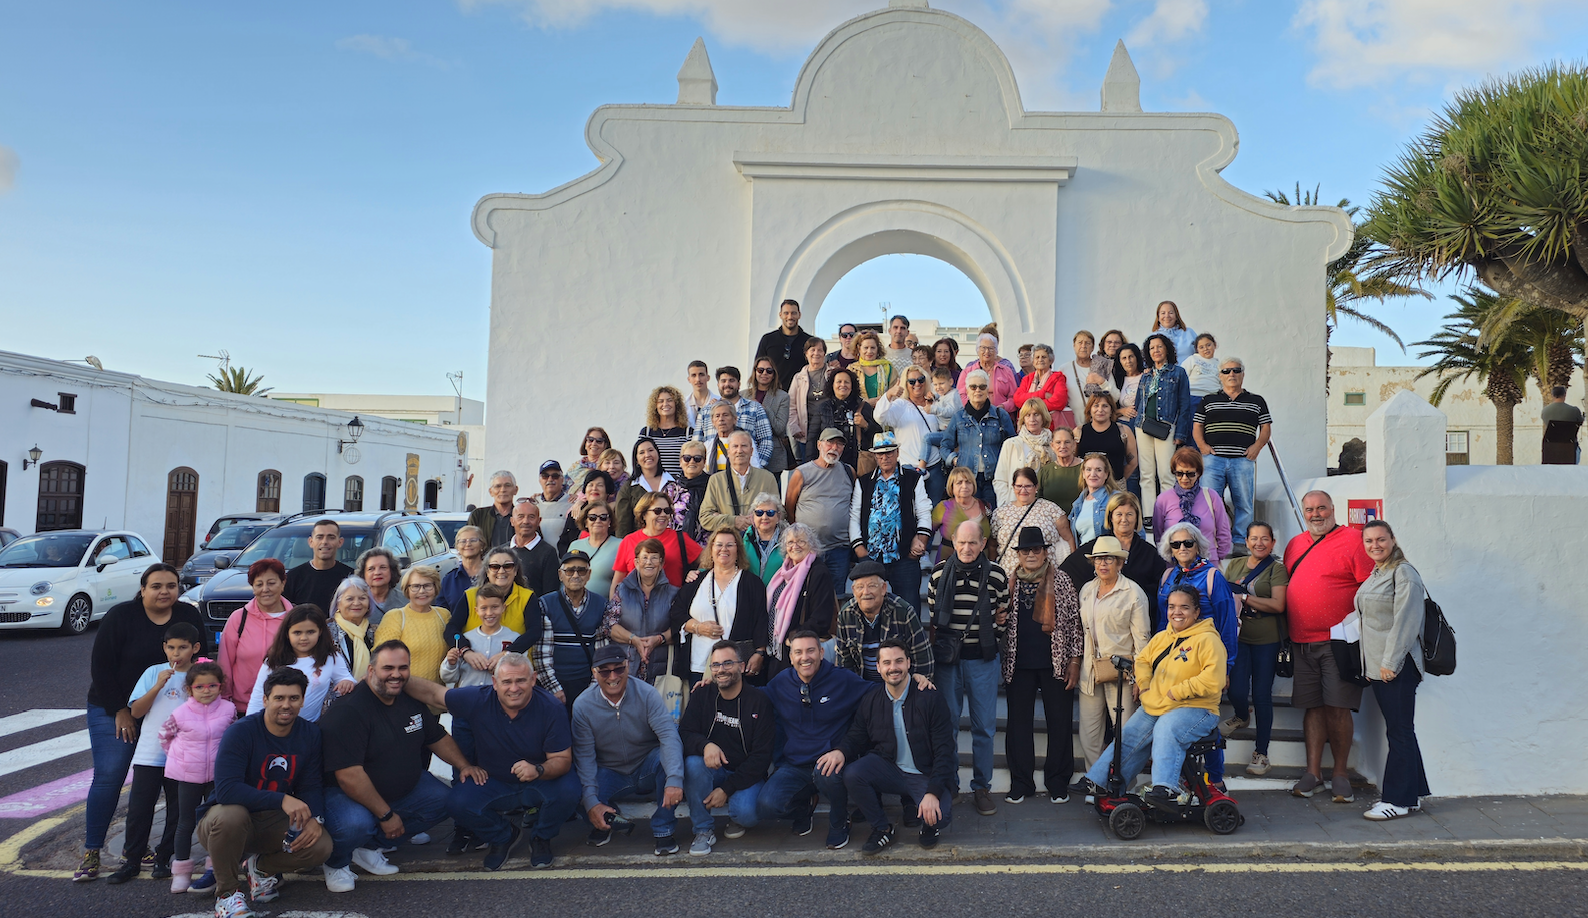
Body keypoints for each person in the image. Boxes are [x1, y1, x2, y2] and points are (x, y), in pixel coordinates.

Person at [78, 563, 207, 882]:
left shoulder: (188, 616)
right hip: (116, 707)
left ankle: (149, 852)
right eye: (156, 586)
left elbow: (202, 661)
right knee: (110, 776)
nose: (165, 591)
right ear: (143, 588)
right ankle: (92, 851)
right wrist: (120, 709)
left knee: (171, 786)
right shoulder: (121, 616)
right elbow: (101, 666)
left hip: (171, 715)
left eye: (171, 585)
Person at [318, 641, 480, 892]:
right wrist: (386, 815)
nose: (396, 674)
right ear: (371, 671)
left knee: (448, 800)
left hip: (400, 787)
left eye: (403, 668)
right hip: (343, 793)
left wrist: (465, 765)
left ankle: (368, 847)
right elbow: (349, 777)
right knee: (355, 824)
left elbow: (435, 737)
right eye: (388, 668)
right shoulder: (349, 711)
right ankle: (336, 862)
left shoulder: (407, 698)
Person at [407, 652, 581, 871]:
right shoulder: (478, 698)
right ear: (495, 683)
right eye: (507, 682)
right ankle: (503, 836)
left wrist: (538, 769)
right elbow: (434, 694)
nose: (514, 688)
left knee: (570, 790)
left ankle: (541, 837)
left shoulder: (551, 707)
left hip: (539, 781)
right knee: (457, 802)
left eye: (521, 680)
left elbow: (562, 760)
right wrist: (395, 677)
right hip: (495, 781)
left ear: (533, 679)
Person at [195, 668, 331, 918]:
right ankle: (227, 895)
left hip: (270, 820)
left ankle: (260, 869)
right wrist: (282, 799)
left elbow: (311, 784)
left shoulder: (310, 734)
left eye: (294, 698)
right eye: (279, 698)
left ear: (303, 700)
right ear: (266, 699)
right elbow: (226, 790)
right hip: (223, 823)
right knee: (231, 815)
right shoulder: (242, 732)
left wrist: (316, 818)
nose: (286, 705)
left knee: (321, 845)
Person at [1077, 585, 1226, 813]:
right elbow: (1144, 660)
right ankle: (1099, 781)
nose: (1177, 612)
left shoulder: (1208, 640)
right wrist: (1145, 685)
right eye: (1172, 607)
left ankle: (1165, 789)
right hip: (1159, 705)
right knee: (1129, 734)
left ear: (1196, 612)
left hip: (1197, 708)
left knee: (1166, 728)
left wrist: (1177, 691)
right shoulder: (1162, 637)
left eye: (1184, 607)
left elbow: (1213, 680)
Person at [1283, 490, 1374, 803]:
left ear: (1333, 510)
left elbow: (1368, 589)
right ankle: (1313, 773)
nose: (1316, 514)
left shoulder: (1353, 541)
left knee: (1337, 707)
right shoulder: (1295, 544)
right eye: (1309, 509)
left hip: (1338, 642)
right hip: (1301, 641)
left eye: (1322, 508)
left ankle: (1339, 773)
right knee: (1313, 707)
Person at [106, 621, 204, 885]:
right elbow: (136, 711)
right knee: (139, 809)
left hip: (183, 755)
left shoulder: (200, 675)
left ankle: (164, 857)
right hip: (150, 753)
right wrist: (158, 686)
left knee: (179, 810)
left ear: (194, 648)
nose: (176, 654)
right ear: (164, 648)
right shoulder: (153, 672)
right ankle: (132, 860)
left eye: (183, 648)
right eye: (171, 647)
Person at [837, 639, 958, 852]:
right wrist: (840, 752)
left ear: (909, 663)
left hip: (923, 773)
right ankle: (882, 829)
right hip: (890, 768)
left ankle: (928, 825)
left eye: (899, 661)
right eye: (887, 663)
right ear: (878, 667)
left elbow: (945, 751)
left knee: (941, 815)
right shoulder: (871, 699)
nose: (893, 668)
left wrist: (932, 792)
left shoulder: (930, 699)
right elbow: (857, 735)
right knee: (853, 773)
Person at [756, 630, 874, 849]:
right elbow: (752, 696)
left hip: (831, 761)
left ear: (821, 653)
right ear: (791, 657)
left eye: (810, 650)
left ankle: (839, 820)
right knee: (766, 805)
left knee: (826, 774)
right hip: (795, 764)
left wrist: (913, 679)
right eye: (798, 652)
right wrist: (711, 687)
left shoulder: (842, 679)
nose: (805, 657)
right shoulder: (780, 683)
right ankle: (805, 806)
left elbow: (878, 693)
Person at [927, 520, 1011, 817]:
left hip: (983, 661)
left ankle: (981, 787)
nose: (966, 548)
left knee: (984, 728)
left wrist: (989, 643)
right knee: (946, 726)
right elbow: (934, 617)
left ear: (982, 542)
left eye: (972, 542)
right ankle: (949, 783)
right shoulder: (938, 574)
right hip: (948, 663)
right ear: (952, 540)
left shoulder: (998, 575)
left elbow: (1003, 615)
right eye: (961, 542)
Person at [572, 644, 688, 856]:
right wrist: (591, 803)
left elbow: (668, 736)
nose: (613, 676)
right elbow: (585, 757)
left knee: (669, 760)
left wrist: (674, 779)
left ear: (628, 666)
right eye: (605, 671)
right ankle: (607, 819)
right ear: (594, 673)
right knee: (574, 789)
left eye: (619, 669)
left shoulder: (647, 694)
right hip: (609, 770)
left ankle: (663, 829)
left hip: (647, 763)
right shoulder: (582, 706)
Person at [1000, 527, 1082, 804]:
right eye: (1026, 550)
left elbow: (1074, 623)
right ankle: (1021, 782)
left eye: (1037, 549)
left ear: (1046, 552)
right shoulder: (1009, 581)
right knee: (1018, 725)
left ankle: (1057, 781)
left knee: (1059, 723)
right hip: (1018, 663)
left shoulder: (1061, 580)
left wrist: (1074, 660)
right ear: (1019, 555)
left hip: (1055, 663)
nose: (1032, 554)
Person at [1355, 520, 1432, 820]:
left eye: (1381, 540)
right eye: (1369, 541)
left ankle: (1397, 801)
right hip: (1378, 667)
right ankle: (1413, 794)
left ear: (1393, 540)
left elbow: (1406, 622)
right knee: (1402, 731)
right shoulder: (1379, 572)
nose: (1375, 545)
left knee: (1399, 732)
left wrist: (1390, 662)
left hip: (1395, 667)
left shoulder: (1404, 573)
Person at [1156, 521, 1239, 788]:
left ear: (1198, 546)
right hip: (1175, 661)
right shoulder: (1168, 576)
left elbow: (1227, 625)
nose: (1182, 548)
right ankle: (1183, 779)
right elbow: (1163, 621)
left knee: (1205, 721)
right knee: (1175, 718)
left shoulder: (1213, 576)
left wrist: (1226, 667)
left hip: (1205, 659)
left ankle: (1214, 780)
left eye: (1187, 543)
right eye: (1176, 544)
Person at [679, 642, 776, 855]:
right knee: (693, 763)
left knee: (746, 814)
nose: (721, 670)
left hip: (747, 774)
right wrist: (706, 745)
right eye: (715, 665)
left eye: (727, 663)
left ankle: (735, 814)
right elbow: (685, 733)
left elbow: (761, 758)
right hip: (714, 769)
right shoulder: (702, 694)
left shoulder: (759, 701)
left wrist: (727, 790)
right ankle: (703, 830)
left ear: (741, 667)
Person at [1071, 536, 1152, 779]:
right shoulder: (1087, 589)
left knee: (1126, 733)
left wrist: (1140, 677)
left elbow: (1142, 639)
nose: (1103, 564)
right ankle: (1095, 781)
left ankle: (1124, 784)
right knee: (1090, 732)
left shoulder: (1133, 593)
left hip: (1122, 672)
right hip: (1090, 669)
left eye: (1109, 559)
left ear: (1120, 563)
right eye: (1098, 559)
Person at [155, 660, 232, 893]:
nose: (206, 691)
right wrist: (180, 758)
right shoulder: (179, 713)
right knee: (185, 822)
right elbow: (164, 736)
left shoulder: (229, 710)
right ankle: (181, 871)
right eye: (200, 687)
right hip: (187, 775)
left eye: (212, 686)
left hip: (217, 777)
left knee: (213, 824)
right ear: (189, 689)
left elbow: (234, 738)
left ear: (221, 686)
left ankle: (214, 868)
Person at [1219, 523, 1289, 777]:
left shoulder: (1277, 568)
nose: (1259, 543)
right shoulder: (1235, 565)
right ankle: (1240, 715)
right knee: (1236, 689)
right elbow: (1225, 598)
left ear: (1272, 542)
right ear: (1246, 541)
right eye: (1254, 538)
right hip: (1238, 637)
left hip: (1266, 639)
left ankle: (1262, 752)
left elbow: (1278, 604)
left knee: (1261, 695)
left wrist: (1245, 598)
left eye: (1265, 539)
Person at [849, 432, 933, 617]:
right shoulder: (863, 482)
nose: (885, 457)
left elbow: (924, 512)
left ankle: (911, 646)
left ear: (897, 452)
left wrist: (920, 540)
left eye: (889, 452)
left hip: (904, 557)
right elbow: (855, 516)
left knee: (909, 609)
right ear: (875, 456)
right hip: (872, 557)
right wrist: (859, 549)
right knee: (871, 610)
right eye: (880, 453)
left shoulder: (913, 479)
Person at [672, 529, 770, 684]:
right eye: (719, 545)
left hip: (735, 667)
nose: (724, 549)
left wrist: (760, 653)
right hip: (698, 665)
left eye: (730, 545)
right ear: (711, 550)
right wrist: (698, 627)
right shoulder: (696, 581)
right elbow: (676, 614)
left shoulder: (752, 583)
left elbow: (761, 620)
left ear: (738, 550)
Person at [1193, 356, 1272, 547]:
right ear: (1220, 375)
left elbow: (1266, 428)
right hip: (1214, 460)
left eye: (1236, 370)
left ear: (1243, 374)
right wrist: (1203, 448)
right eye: (1226, 371)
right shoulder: (1208, 400)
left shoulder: (1257, 400)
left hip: (1243, 460)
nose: (1232, 374)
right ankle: (1209, 542)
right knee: (1209, 504)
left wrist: (1257, 447)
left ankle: (1238, 543)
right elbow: (1197, 426)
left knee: (1244, 504)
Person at [520, 549, 611, 715]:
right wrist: (554, 689)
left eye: (581, 570)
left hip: (586, 681)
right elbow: (541, 654)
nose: (575, 575)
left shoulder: (601, 604)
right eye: (569, 570)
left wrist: (593, 690)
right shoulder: (545, 604)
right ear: (560, 575)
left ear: (589, 574)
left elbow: (601, 651)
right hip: (554, 681)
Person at [1062, 492, 1166, 624]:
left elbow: (1160, 588)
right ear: (1110, 517)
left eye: (1129, 514)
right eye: (1119, 514)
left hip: (1138, 621)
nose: (1124, 519)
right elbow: (1067, 572)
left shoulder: (1149, 553)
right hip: (1102, 622)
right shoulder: (1096, 547)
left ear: (1137, 517)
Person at [246, 606, 355, 719]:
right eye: (297, 633)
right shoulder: (275, 660)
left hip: (309, 726)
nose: (304, 638)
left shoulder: (331, 657)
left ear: (320, 632)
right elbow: (258, 697)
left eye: (310, 632)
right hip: (275, 726)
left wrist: (347, 681)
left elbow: (346, 677)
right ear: (287, 634)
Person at [834, 560, 934, 681]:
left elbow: (922, 657)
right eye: (860, 587)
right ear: (854, 591)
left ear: (883, 588)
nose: (866, 592)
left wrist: (916, 687)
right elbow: (844, 662)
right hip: (862, 686)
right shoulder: (846, 614)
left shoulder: (903, 611)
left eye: (872, 585)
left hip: (898, 685)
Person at [784, 428, 857, 590]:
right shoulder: (802, 473)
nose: (834, 448)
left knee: (837, 596)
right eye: (829, 442)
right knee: (807, 595)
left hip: (839, 548)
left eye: (839, 444)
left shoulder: (849, 471)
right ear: (819, 445)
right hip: (807, 549)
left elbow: (855, 506)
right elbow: (789, 507)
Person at [219, 559, 293, 716]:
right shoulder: (238, 618)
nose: (265, 589)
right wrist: (225, 701)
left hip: (285, 708)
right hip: (242, 708)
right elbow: (225, 663)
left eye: (271, 583)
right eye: (259, 584)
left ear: (283, 583)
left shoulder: (295, 619)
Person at [1134, 333, 1195, 521]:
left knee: (1166, 474)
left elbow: (1184, 405)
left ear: (1167, 348)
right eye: (1152, 348)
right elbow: (1138, 402)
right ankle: (1150, 516)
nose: (1156, 351)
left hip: (1166, 427)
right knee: (1146, 474)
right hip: (1143, 426)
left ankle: (1169, 514)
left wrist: (1181, 433)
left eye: (1159, 347)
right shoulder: (1146, 375)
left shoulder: (1178, 372)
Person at [765, 523, 838, 670]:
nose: (795, 546)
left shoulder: (818, 572)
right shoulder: (783, 572)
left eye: (801, 541)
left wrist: (794, 637)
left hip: (799, 651)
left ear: (812, 545)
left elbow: (821, 618)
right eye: (790, 542)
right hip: (776, 651)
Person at [605, 538, 681, 679]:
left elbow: (680, 629)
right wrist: (633, 639)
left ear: (662, 563)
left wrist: (659, 639)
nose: (649, 562)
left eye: (654, 558)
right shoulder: (621, 590)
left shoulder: (674, 594)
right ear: (636, 562)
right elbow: (609, 625)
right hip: (626, 666)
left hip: (661, 669)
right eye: (644, 557)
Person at [940, 368, 1015, 508]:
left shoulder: (1000, 415)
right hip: (967, 480)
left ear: (988, 390)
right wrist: (955, 460)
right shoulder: (958, 417)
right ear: (967, 390)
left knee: (991, 517)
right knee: (970, 518)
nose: (977, 390)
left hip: (994, 479)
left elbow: (1012, 444)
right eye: (973, 387)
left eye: (982, 386)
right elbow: (945, 446)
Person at [447, 547, 539, 654]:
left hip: (514, 666)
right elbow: (451, 629)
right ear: (487, 571)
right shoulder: (470, 596)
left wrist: (507, 653)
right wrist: (466, 651)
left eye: (507, 566)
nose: (501, 571)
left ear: (515, 570)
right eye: (494, 567)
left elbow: (534, 632)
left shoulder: (527, 597)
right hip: (473, 666)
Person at [874, 365, 945, 503]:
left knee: (934, 509)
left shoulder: (935, 402)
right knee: (910, 509)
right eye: (912, 381)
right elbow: (879, 417)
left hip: (935, 466)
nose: (917, 384)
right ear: (906, 384)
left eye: (920, 379)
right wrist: (889, 394)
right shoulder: (900, 404)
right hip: (909, 466)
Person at [372, 566, 453, 684]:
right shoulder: (395, 617)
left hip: (436, 696)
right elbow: (381, 659)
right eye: (415, 586)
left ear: (435, 588)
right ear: (407, 589)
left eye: (427, 586)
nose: (421, 591)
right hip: (403, 694)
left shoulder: (444, 615)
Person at [1153, 447, 1233, 563]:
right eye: (1179, 473)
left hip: (1207, 565)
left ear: (1198, 473)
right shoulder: (1163, 499)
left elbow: (1224, 532)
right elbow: (1159, 537)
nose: (1184, 478)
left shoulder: (1211, 496)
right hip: (1176, 566)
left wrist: (1215, 559)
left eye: (1190, 474)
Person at [611, 491, 704, 589]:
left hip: (671, 601)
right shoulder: (628, 541)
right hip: (635, 602)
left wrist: (697, 573)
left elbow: (707, 560)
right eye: (657, 511)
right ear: (644, 514)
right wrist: (613, 603)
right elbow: (618, 581)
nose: (663, 514)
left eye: (667, 511)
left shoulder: (680, 538)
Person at [991, 466, 1074, 573]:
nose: (1023, 490)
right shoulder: (1000, 513)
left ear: (1036, 487)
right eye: (1019, 486)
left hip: (1047, 576)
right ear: (1013, 486)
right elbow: (993, 545)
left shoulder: (1051, 509)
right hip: (1010, 575)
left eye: (1028, 486)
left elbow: (1069, 539)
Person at [699, 430, 781, 535]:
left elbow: (779, 514)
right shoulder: (716, 480)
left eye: (744, 446)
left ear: (751, 451)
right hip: (728, 543)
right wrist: (733, 521)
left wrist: (756, 520)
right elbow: (705, 518)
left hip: (760, 541)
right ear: (728, 452)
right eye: (735, 446)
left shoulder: (767, 478)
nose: (739, 450)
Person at [440, 582, 520, 687]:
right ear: (476, 610)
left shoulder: (514, 639)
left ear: (503, 608)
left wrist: (505, 669)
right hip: (469, 698)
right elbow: (449, 678)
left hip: (498, 699)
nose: (489, 613)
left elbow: (520, 673)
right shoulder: (466, 639)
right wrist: (451, 663)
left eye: (495, 607)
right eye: (484, 608)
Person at [701, 367, 774, 468]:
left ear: (739, 384)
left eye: (731, 380)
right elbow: (698, 443)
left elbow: (766, 441)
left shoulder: (755, 408)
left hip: (746, 473)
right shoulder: (706, 411)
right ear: (718, 385)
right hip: (711, 472)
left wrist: (754, 469)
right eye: (723, 381)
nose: (727, 384)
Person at [993, 400, 1060, 507]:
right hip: (1015, 506)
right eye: (1028, 415)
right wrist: (1006, 505)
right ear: (1023, 419)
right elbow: (1000, 479)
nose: (1032, 419)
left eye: (1036, 414)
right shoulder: (1011, 444)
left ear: (1043, 417)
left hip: (1044, 507)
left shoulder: (1053, 444)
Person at [615, 437, 684, 539]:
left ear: (658, 454)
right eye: (642, 452)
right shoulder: (629, 488)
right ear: (636, 460)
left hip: (671, 541)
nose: (647, 455)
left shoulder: (675, 483)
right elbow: (622, 526)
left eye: (651, 450)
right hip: (641, 546)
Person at [283, 519, 352, 613]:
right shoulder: (293, 577)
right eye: (319, 537)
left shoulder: (351, 577)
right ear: (311, 542)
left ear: (340, 542)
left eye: (331, 537)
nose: (324, 542)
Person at [813, 367, 875, 465]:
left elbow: (877, 435)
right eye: (839, 381)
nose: (843, 385)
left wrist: (866, 425)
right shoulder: (823, 407)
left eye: (846, 382)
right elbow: (812, 438)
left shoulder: (863, 407)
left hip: (856, 463)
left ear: (852, 385)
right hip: (829, 463)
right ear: (832, 385)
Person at [931, 465, 991, 564]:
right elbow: (927, 532)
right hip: (948, 564)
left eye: (968, 482)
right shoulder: (943, 507)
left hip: (981, 565)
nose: (964, 486)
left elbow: (992, 540)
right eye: (959, 483)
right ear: (951, 486)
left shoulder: (985, 506)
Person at [786, 337, 832, 465]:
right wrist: (794, 427)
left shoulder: (832, 374)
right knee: (809, 466)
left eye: (820, 350)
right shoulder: (798, 378)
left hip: (827, 427)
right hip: (805, 431)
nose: (816, 353)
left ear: (824, 353)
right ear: (806, 353)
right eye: (812, 350)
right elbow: (791, 405)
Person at [755, 298, 816, 390]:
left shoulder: (809, 341)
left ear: (799, 315)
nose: (790, 317)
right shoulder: (768, 339)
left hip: (800, 393)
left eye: (794, 313)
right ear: (780, 315)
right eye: (786, 313)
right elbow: (757, 368)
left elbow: (816, 366)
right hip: (772, 393)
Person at [1078, 393, 1139, 485]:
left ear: (1111, 410)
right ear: (1089, 410)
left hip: (1115, 487)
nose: (1100, 410)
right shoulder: (1078, 432)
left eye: (1105, 406)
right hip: (1087, 487)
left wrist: (1117, 482)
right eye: (1096, 406)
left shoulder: (1124, 431)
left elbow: (1133, 462)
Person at [1012, 343, 1072, 429]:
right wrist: (1042, 394)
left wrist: (1029, 406)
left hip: (1049, 427)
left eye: (1044, 357)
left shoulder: (1058, 377)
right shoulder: (1027, 379)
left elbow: (1059, 402)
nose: (1040, 360)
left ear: (1051, 360)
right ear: (1033, 361)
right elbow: (1017, 399)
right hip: (1027, 427)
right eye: (1037, 357)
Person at [556, 469, 617, 554]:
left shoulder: (614, 513)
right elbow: (563, 543)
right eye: (590, 485)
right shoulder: (575, 512)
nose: (594, 488)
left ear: (607, 491)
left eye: (599, 485)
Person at [1065, 330, 1119, 425]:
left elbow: (1115, 396)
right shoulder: (1064, 369)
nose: (1083, 346)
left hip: (1099, 425)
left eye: (1087, 343)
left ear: (1093, 347)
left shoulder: (1103, 367)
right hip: (1074, 425)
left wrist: (1101, 381)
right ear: (1074, 345)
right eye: (1080, 342)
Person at [507, 500, 561, 597]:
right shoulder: (502, 551)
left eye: (531, 517)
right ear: (512, 521)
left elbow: (551, 594)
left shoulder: (548, 552)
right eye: (521, 516)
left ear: (539, 521)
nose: (526, 521)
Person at [750, 356, 792, 477]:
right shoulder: (743, 395)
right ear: (755, 372)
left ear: (774, 374)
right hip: (747, 453)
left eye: (769, 371)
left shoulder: (783, 397)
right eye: (760, 370)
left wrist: (764, 409)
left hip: (773, 456)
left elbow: (779, 429)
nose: (764, 373)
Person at [1068, 453, 1122, 547]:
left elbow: (1135, 531)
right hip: (1084, 556)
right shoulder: (1078, 503)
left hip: (1107, 557)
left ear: (1106, 474)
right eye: (1088, 469)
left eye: (1098, 470)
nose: (1093, 474)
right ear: (1083, 474)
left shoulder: (1116, 498)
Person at [570, 500, 620, 600]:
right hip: (574, 607)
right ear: (586, 522)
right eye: (592, 518)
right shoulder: (575, 545)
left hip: (604, 607)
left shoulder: (620, 545)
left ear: (609, 522)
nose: (598, 521)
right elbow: (565, 578)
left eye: (603, 517)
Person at [327, 577, 376, 681]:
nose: (356, 603)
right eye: (350, 599)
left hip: (370, 692)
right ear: (338, 604)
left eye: (362, 598)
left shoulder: (376, 631)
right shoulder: (325, 632)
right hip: (336, 694)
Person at [956, 333, 1018, 412]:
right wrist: (975, 409)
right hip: (973, 416)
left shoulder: (1006, 371)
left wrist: (1003, 407)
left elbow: (1013, 397)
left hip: (1000, 415)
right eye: (983, 348)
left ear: (996, 351)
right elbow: (960, 396)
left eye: (991, 348)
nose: (987, 351)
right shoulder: (967, 372)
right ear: (977, 350)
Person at [641, 385, 692, 478]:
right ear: (655, 406)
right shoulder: (647, 432)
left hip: (679, 486)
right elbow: (640, 460)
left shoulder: (688, 432)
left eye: (670, 400)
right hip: (653, 487)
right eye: (660, 401)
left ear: (676, 404)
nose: (665, 404)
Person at [439, 525, 487, 616]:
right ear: (457, 547)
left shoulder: (492, 574)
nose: (468, 544)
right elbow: (441, 612)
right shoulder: (449, 580)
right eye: (463, 541)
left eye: (473, 540)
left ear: (482, 544)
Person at [466, 471, 520, 549]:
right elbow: (469, 542)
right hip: (486, 561)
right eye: (498, 486)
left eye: (507, 485)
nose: (503, 490)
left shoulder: (523, 517)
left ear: (515, 490)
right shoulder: (478, 515)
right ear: (491, 492)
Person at [742, 493, 786, 584]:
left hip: (778, 596)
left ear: (778, 516)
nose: (764, 517)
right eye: (759, 513)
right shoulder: (741, 539)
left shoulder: (789, 540)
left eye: (770, 513)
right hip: (748, 595)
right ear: (752, 516)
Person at [355, 548, 405, 624]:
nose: (377, 572)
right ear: (363, 574)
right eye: (371, 569)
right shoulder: (355, 602)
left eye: (383, 567)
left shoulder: (406, 600)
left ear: (392, 571)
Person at [675, 440, 712, 540]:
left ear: (704, 462)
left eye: (697, 458)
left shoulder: (713, 485)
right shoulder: (671, 489)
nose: (691, 462)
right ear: (680, 462)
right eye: (687, 458)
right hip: (677, 545)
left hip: (706, 546)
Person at [1541, 384, 1583, 464]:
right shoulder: (1574, 410)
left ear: (1553, 395)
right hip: (1570, 445)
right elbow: (1579, 422)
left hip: (1551, 445)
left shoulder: (1545, 411)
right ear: (1564, 395)